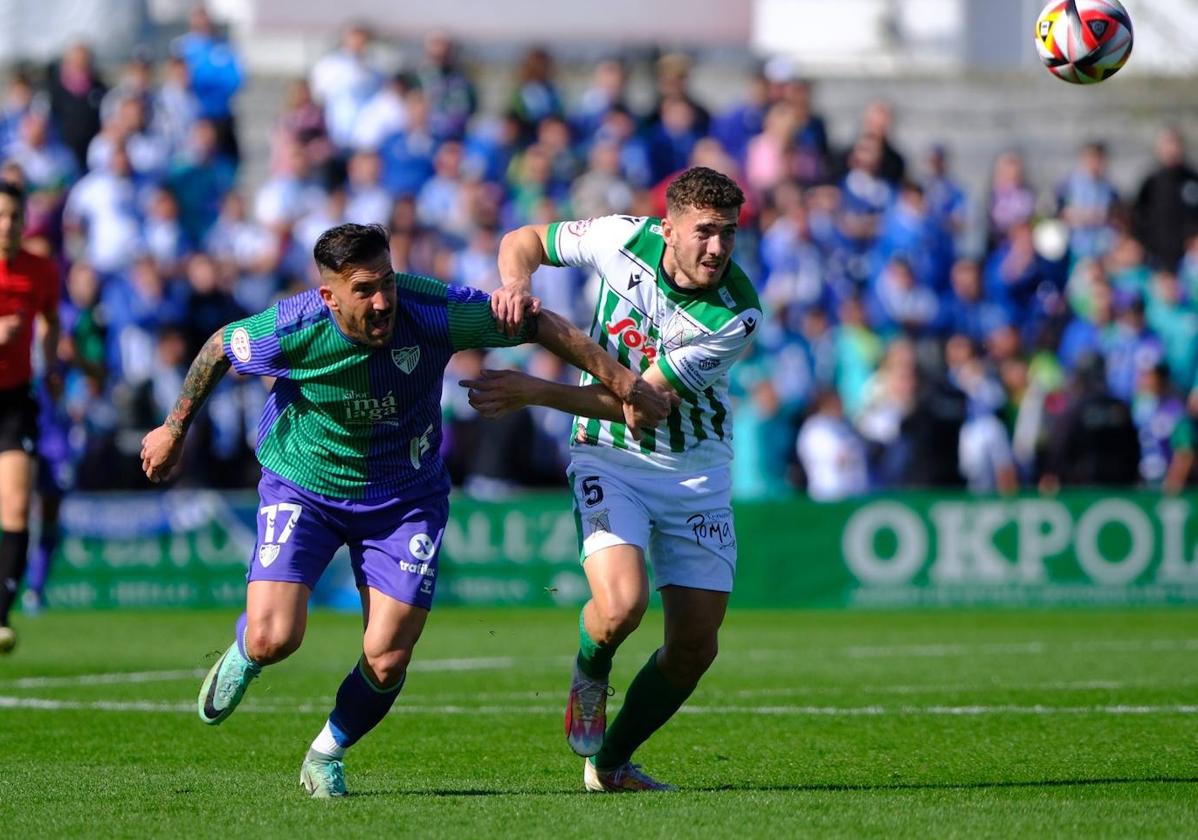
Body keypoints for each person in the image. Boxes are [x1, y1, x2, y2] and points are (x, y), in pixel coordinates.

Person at [138, 223, 675, 797]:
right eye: (365, 289)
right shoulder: (293, 326)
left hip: (405, 498)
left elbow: (535, 322)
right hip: (305, 486)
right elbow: (221, 345)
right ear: (330, 297)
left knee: (388, 656)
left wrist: (620, 380)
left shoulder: (432, 309)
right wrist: (174, 429)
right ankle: (248, 649)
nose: (383, 300)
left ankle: (326, 752)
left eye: (388, 282)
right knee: (275, 638)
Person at [471, 167, 762, 792]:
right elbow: (524, 239)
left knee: (695, 649)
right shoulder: (619, 237)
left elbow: (640, 402)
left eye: (729, 234)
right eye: (704, 232)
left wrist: (533, 391)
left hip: (694, 472)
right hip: (609, 457)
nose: (717, 248)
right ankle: (591, 668)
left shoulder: (735, 315)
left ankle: (610, 764)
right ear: (668, 228)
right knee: (621, 605)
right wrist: (517, 285)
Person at [0, 183, 62, 652]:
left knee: (18, 506)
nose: (7, 226)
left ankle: (1, 615)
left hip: (15, 401)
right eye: (0, 216)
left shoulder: (39, 270)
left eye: (14, 217)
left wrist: (51, 363)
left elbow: (51, 320)